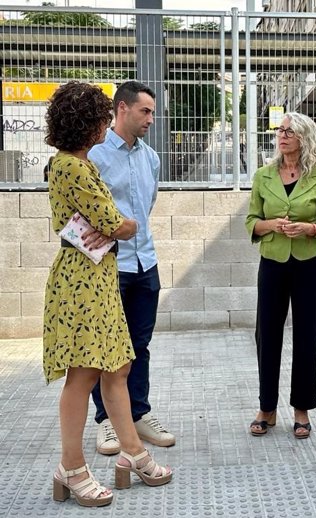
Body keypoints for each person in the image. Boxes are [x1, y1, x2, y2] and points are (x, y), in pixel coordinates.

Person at [44, 81, 171, 508]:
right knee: (83, 376)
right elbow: (117, 222)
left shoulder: (80, 163)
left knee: (119, 364)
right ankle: (72, 467)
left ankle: (133, 453)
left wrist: (121, 224)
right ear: (90, 121)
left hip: (99, 276)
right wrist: (122, 225)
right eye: (100, 116)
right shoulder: (75, 166)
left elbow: (118, 219)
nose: (104, 124)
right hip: (84, 279)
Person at [87, 81, 175, 456]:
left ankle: (138, 413)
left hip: (145, 262)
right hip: (109, 265)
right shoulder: (94, 155)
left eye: (153, 112)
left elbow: (146, 206)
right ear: (122, 109)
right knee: (103, 347)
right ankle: (106, 420)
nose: (151, 119)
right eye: (145, 111)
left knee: (140, 344)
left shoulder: (150, 157)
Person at [245, 112, 316, 439]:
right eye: (280, 130)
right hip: (272, 261)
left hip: (310, 263)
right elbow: (251, 222)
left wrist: (310, 228)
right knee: (267, 335)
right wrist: (271, 225)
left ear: (304, 137)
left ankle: (301, 409)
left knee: (306, 335)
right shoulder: (263, 175)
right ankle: (266, 408)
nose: (282, 135)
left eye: (290, 131)